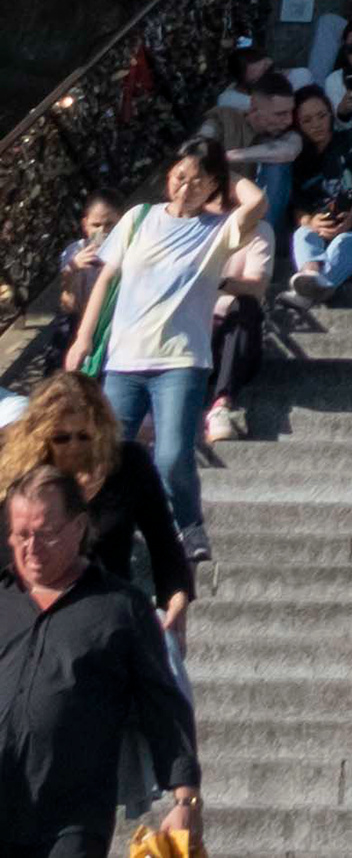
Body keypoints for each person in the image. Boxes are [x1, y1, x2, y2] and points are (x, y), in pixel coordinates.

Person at [0, 463, 199, 858]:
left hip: (72, 818)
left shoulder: (121, 608)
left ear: (78, 527)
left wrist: (185, 799)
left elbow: (163, 707)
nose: (32, 548)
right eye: (21, 535)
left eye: (46, 533)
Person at [77, 143, 265, 554]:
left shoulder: (218, 230)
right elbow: (107, 280)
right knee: (109, 453)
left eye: (198, 180)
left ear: (214, 185)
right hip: (124, 358)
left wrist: (221, 172)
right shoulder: (138, 218)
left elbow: (258, 201)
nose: (185, 187)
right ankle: (107, 530)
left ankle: (189, 524)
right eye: (180, 176)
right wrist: (84, 338)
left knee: (171, 454)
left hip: (181, 359)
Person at [0, 376, 192, 663]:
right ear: (41, 436)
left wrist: (177, 595)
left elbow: (163, 540)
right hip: (36, 614)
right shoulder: (23, 479)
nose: (74, 446)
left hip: (109, 614)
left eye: (84, 435)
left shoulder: (129, 464)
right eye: (61, 437)